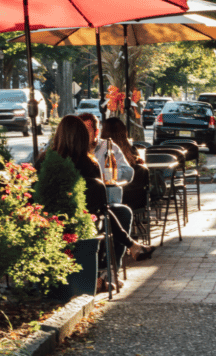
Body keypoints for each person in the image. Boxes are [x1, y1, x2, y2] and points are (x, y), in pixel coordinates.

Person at [41, 115, 155, 272]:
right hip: (86, 218)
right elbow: (99, 200)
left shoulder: (44, 159)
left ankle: (122, 256)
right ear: (82, 137)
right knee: (118, 212)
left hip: (49, 217)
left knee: (112, 211)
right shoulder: (89, 163)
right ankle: (110, 270)